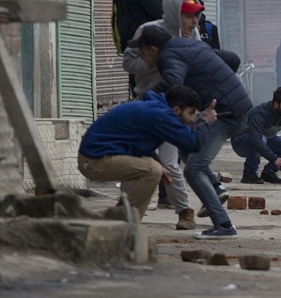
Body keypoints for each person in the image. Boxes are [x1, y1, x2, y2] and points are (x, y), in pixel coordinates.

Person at [131, 25, 253, 239]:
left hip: (227, 113)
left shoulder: (167, 56)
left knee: (194, 169)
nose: (143, 60)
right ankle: (215, 188)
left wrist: (143, 101)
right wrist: (219, 81)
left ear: (153, 49)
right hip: (232, 105)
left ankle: (224, 226)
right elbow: (231, 58)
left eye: (142, 54)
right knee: (187, 148)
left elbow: (173, 81)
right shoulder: (189, 44)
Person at [123, 0, 218, 231]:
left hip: (173, 107)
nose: (194, 22)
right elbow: (128, 62)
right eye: (188, 16)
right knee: (131, 156)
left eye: (196, 17)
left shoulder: (193, 34)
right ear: (174, 13)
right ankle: (124, 206)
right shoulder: (148, 31)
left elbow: (198, 63)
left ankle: (184, 211)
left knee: (170, 161)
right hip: (146, 103)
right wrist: (156, 62)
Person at [77, 85, 216, 222]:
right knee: (152, 171)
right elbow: (193, 144)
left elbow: (142, 145)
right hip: (95, 161)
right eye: (191, 113)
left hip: (95, 158)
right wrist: (204, 121)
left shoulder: (156, 108)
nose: (192, 119)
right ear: (177, 109)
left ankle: (122, 213)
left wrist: (161, 165)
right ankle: (126, 224)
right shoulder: (162, 115)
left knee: (155, 169)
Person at [231, 87, 281, 185]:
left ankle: (268, 173)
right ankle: (249, 174)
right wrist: (274, 159)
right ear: (276, 104)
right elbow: (255, 139)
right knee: (261, 139)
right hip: (241, 142)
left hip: (264, 139)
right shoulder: (260, 113)